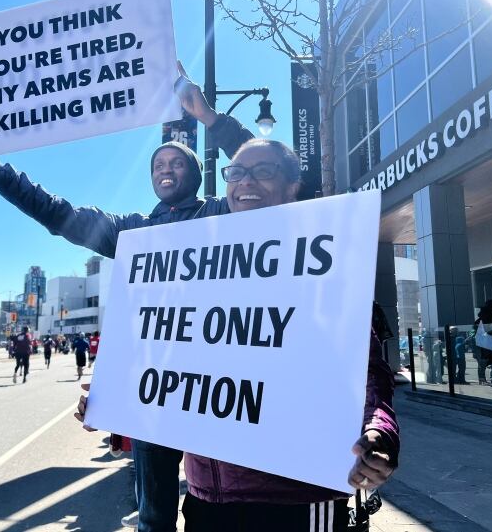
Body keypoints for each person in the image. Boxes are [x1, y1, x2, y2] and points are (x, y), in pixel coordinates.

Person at [0, 65, 252, 532]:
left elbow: (260, 172)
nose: (165, 170)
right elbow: (59, 214)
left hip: (220, 378)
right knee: (153, 518)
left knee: (219, 506)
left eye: (175, 164)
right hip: (157, 383)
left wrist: (211, 119)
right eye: (157, 165)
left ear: (193, 172)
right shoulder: (134, 230)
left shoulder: (221, 213)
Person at [77, 140, 399, 531]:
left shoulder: (321, 265)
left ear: (293, 187)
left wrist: (379, 433)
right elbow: (172, 361)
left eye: (264, 171)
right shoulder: (195, 266)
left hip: (296, 500)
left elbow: (369, 373)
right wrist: (114, 396)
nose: (246, 181)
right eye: (236, 173)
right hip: (206, 499)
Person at [473, 299, 492, 385]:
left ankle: (490, 378)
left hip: (488, 342)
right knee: (484, 361)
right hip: (484, 344)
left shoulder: (487, 316)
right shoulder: (488, 316)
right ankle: (483, 380)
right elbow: (490, 329)